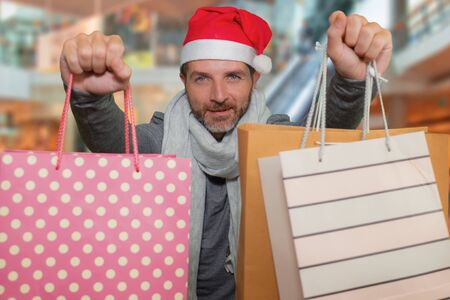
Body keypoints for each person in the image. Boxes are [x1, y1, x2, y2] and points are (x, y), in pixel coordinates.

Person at [60, 6, 392, 300]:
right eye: (202, 78)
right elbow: (118, 145)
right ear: (184, 80)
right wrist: (89, 97)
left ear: (254, 78)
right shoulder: (162, 139)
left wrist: (351, 80)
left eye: (233, 76)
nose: (219, 95)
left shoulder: (273, 138)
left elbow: (318, 139)